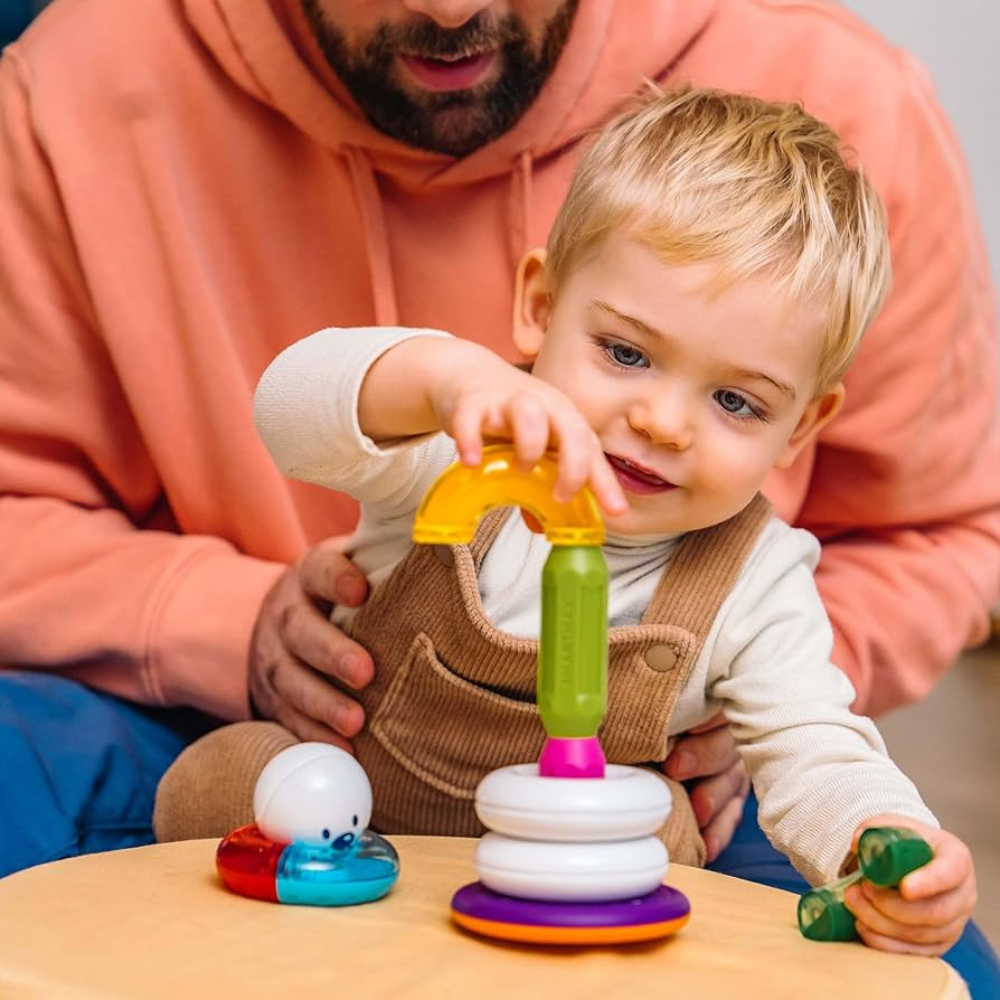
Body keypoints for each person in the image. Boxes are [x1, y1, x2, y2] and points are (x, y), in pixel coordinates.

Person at [0, 0, 997, 987]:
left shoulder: (762, 578)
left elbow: (815, 744)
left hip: (588, 878)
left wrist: (886, 840)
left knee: (934, 962)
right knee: (227, 781)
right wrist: (434, 377)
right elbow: (291, 415)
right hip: (355, 815)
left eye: (736, 400)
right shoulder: (461, 460)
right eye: (622, 352)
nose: (661, 421)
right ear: (536, 307)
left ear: (803, 426)